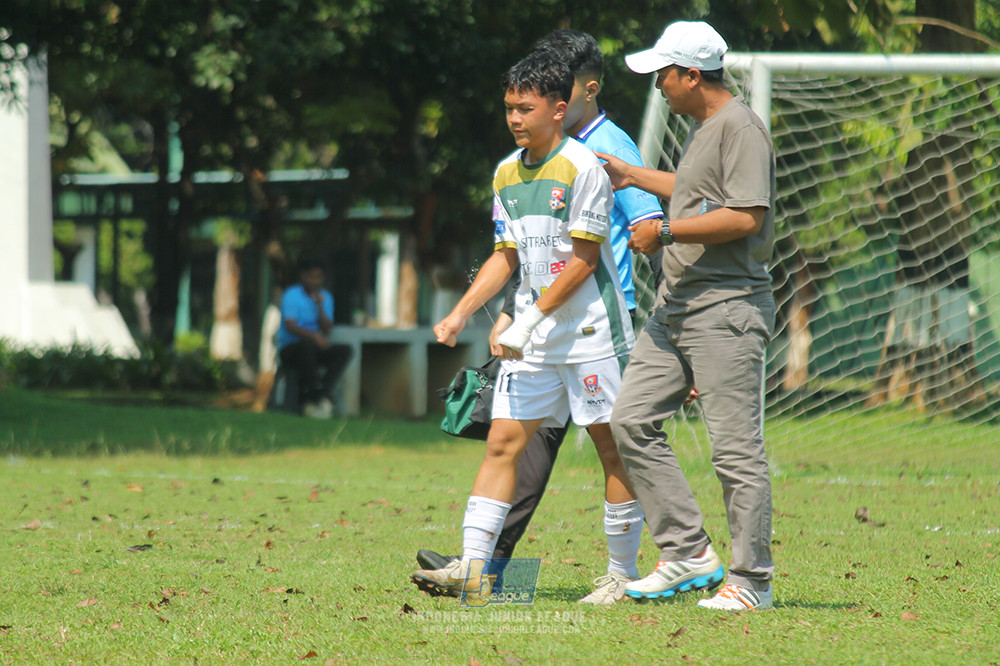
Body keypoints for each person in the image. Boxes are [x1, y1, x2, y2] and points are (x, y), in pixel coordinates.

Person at [415, 29, 664, 604]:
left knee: (611, 446)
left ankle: (622, 574)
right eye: (509, 108)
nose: (515, 119)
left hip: (593, 330)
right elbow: (509, 256)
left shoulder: (589, 164)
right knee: (505, 442)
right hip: (533, 333)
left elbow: (584, 259)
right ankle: (477, 572)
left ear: (561, 106)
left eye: (525, 109)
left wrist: (526, 323)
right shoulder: (505, 173)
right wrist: (461, 315)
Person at [600, 20, 778, 611]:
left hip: (724, 310)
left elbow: (745, 215)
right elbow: (694, 188)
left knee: (734, 452)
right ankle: (688, 552)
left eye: (662, 75)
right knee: (629, 420)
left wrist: (667, 229)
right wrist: (630, 175)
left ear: (691, 75)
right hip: (673, 311)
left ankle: (752, 582)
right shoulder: (706, 127)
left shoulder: (741, 128)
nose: (657, 87)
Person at [276, 255, 351, 419]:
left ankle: (318, 393)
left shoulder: (325, 298)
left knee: (344, 350)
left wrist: (320, 307)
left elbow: (327, 329)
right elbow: (290, 325)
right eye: (311, 276)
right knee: (307, 344)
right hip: (291, 348)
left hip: (313, 348)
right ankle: (317, 395)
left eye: (318, 277)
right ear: (303, 276)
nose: (315, 281)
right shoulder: (291, 295)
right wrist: (314, 337)